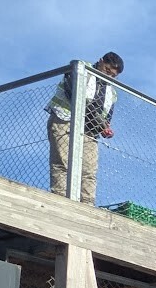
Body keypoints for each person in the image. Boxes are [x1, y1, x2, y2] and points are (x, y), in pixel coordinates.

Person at [47, 52, 124, 205]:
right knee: (62, 162)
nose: (108, 76)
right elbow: (72, 93)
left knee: (89, 169)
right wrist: (97, 119)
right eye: (107, 71)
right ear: (101, 61)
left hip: (89, 131)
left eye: (113, 76)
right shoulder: (81, 69)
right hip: (64, 118)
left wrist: (104, 128)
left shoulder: (111, 92)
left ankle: (87, 203)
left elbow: (107, 117)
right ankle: (60, 199)